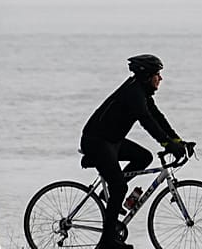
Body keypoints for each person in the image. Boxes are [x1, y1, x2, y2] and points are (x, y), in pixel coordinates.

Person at [80, 53, 189, 249]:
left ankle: (109, 196)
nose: (161, 78)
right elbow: (146, 121)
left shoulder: (142, 92)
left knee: (144, 157)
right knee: (120, 187)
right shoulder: (134, 94)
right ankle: (106, 243)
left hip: (111, 141)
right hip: (97, 142)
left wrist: (177, 140)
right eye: (158, 74)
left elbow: (157, 117)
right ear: (147, 75)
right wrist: (166, 144)